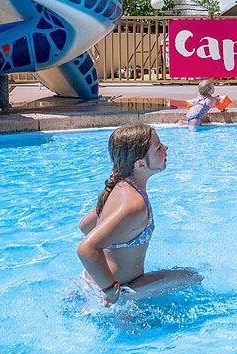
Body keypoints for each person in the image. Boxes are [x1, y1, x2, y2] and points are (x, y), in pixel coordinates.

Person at [76, 124, 201, 304]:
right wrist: (111, 292)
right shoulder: (133, 205)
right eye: (158, 147)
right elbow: (85, 249)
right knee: (193, 278)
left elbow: (85, 226)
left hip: (91, 281)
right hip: (117, 291)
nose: (165, 148)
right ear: (140, 164)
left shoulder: (119, 187)